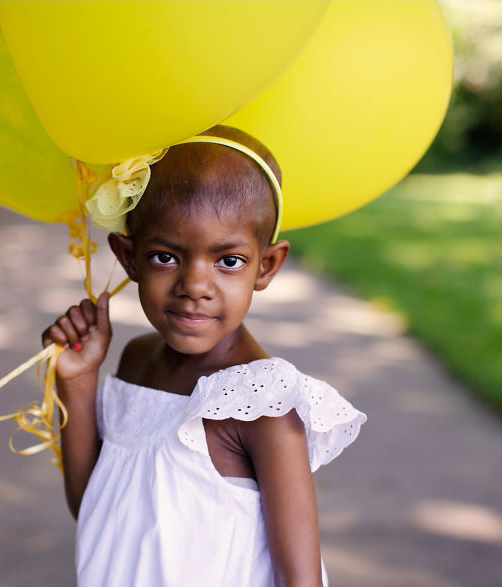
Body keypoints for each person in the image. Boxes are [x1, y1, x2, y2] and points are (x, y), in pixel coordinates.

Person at [41, 125, 366, 587]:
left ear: (266, 265)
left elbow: (301, 579)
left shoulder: (261, 403)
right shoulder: (137, 360)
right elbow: (97, 509)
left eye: (228, 261)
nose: (194, 286)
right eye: (165, 257)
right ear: (128, 257)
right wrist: (76, 380)